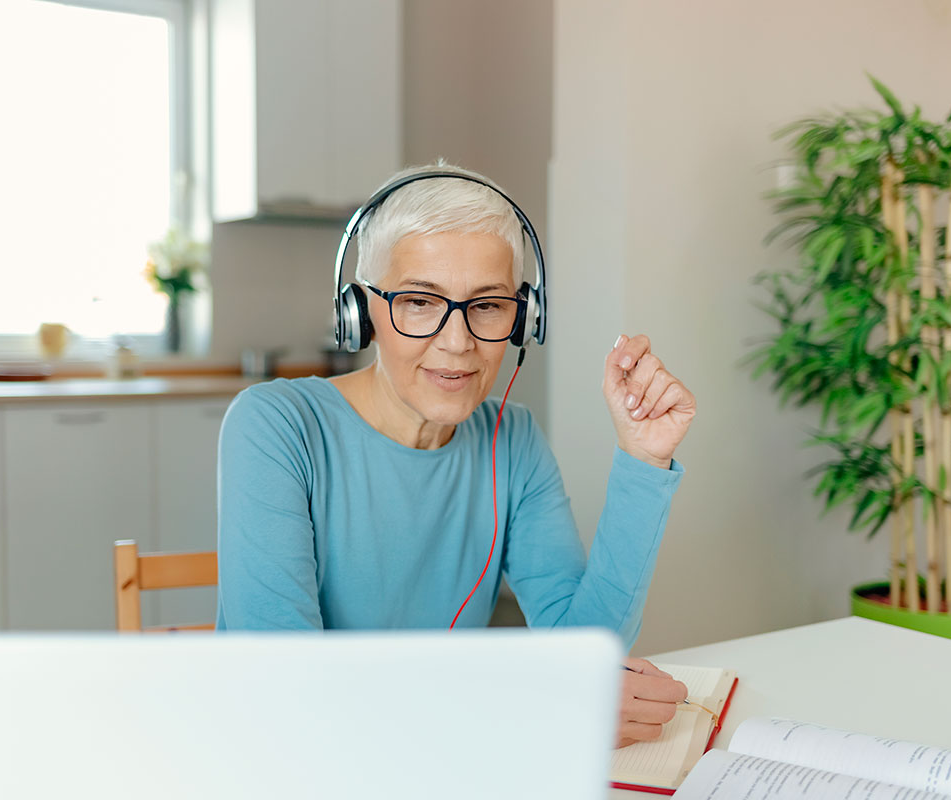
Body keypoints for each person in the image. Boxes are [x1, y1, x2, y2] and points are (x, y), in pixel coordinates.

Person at [216, 163, 697, 747]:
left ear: (524, 318)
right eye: (419, 301)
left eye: (488, 305)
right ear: (361, 311)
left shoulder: (512, 440)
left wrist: (642, 459)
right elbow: (286, 689)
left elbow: (587, 652)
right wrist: (533, 704)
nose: (458, 342)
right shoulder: (275, 425)